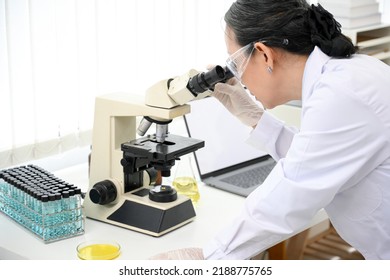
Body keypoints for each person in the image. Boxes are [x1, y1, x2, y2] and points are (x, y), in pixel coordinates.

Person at [151, 0, 390, 260]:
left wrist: (209, 259)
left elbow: (291, 192)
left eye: (235, 64)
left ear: (265, 54)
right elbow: (316, 157)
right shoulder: (345, 74)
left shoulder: (342, 93)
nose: (237, 77)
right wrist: (256, 119)